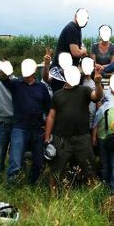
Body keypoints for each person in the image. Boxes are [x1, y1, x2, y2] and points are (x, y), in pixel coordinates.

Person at [44, 64, 103, 194]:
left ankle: (94, 194)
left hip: (82, 138)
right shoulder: (57, 95)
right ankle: (54, 197)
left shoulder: (85, 90)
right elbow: (51, 117)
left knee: (89, 167)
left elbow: (97, 96)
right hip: (61, 139)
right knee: (56, 169)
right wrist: (47, 138)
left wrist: (98, 83)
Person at [3, 56, 52, 187]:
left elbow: (49, 109)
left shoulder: (41, 87)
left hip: (37, 129)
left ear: (35, 70)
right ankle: (11, 186)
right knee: (15, 160)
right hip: (20, 127)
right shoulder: (15, 84)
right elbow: (3, 79)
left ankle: (32, 185)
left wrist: (47, 130)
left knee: (39, 162)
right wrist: (4, 67)